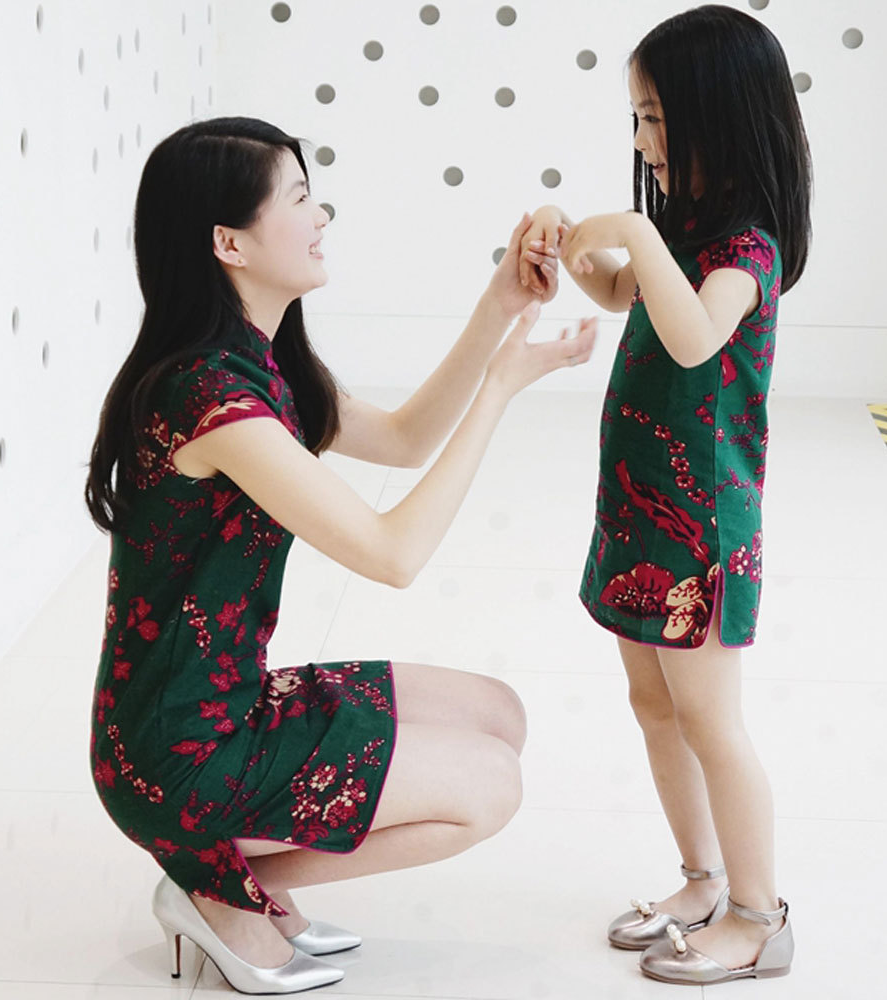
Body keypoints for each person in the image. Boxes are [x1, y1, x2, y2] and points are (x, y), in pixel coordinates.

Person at [85, 116, 596, 995]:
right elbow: (394, 555)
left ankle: (226, 881)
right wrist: (503, 388)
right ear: (229, 243)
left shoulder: (258, 363)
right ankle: (220, 890)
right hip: (178, 756)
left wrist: (500, 305)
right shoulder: (213, 401)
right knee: (489, 786)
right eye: (298, 198)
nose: (320, 216)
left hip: (225, 705)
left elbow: (403, 439)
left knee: (498, 716)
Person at [520, 5, 811, 987]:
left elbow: (692, 338)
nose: (642, 138)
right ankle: (700, 879)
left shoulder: (747, 250)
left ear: (716, 117)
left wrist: (636, 235)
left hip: (701, 529)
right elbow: (622, 293)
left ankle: (759, 917)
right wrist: (577, 248)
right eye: (637, 118)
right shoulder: (683, 230)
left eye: (655, 118)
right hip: (638, 508)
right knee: (653, 705)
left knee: (711, 723)